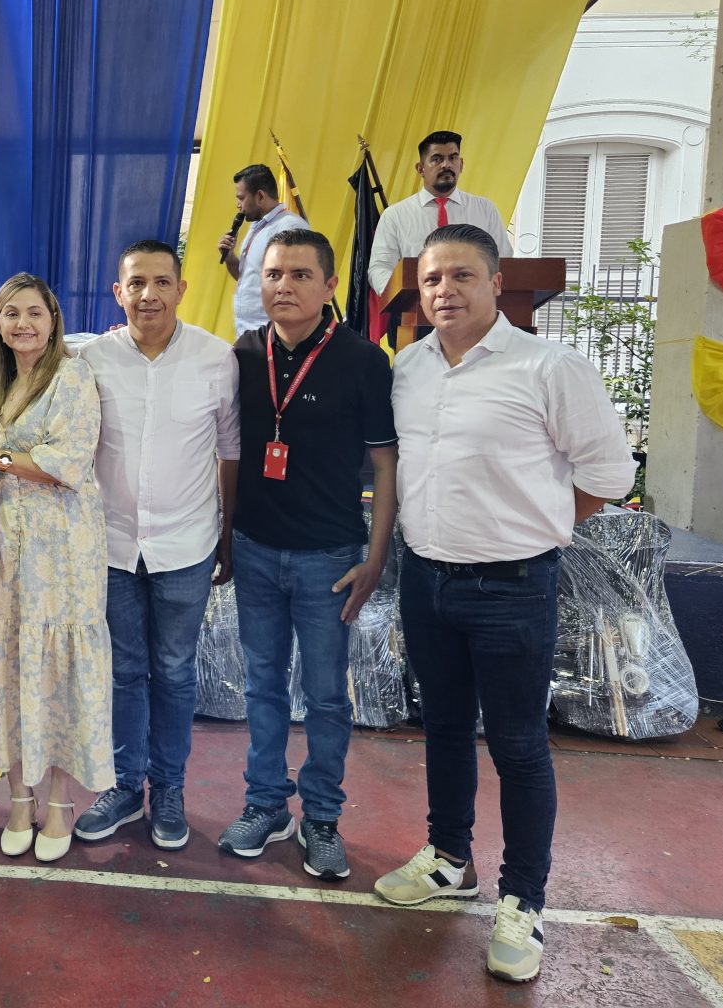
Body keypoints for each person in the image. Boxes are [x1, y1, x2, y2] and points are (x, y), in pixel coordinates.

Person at [375, 224, 635, 983]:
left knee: (519, 746)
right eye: (431, 280)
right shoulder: (408, 368)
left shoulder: (550, 368)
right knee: (445, 728)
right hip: (426, 579)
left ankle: (523, 899)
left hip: (514, 587)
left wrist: (537, 527)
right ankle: (448, 858)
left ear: (495, 283)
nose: (444, 291)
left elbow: (609, 475)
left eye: (461, 276)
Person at [218, 230, 397, 882]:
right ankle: (266, 804)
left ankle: (321, 816)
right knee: (262, 687)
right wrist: (226, 537)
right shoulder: (243, 354)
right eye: (272, 275)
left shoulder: (363, 360)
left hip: (329, 556)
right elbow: (228, 454)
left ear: (328, 285)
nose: (284, 287)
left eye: (299, 275)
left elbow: (386, 465)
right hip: (256, 549)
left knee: (324, 696)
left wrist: (375, 558)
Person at [71, 241, 239, 851]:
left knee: (172, 670)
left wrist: (226, 533)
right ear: (118, 292)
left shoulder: (216, 358)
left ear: (181, 289)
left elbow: (230, 450)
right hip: (112, 545)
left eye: (162, 282)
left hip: (186, 544)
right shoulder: (91, 361)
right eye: (136, 283)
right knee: (124, 671)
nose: (149, 295)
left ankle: (168, 789)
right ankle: (123, 786)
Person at [0, 274, 112, 864]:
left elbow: (65, 462)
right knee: (11, 667)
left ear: (53, 319)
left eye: (34, 313)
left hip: (61, 551)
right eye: (10, 314)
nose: (23, 324)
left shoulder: (72, 376)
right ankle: (19, 797)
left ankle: (60, 802)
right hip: (4, 552)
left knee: (56, 673)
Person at [367, 130, 511, 297]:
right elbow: (380, 268)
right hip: (417, 307)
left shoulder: (485, 210)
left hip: (474, 308)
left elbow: (505, 261)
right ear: (420, 169)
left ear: (461, 165)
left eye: (453, 158)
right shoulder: (395, 216)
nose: (446, 165)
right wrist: (405, 298)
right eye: (437, 159)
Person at [216, 163, 308, 337]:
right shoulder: (257, 227)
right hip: (247, 331)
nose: (238, 205)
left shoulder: (290, 227)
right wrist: (229, 257)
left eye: (241, 198)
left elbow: (296, 284)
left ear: (260, 196)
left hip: (271, 334)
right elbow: (247, 277)